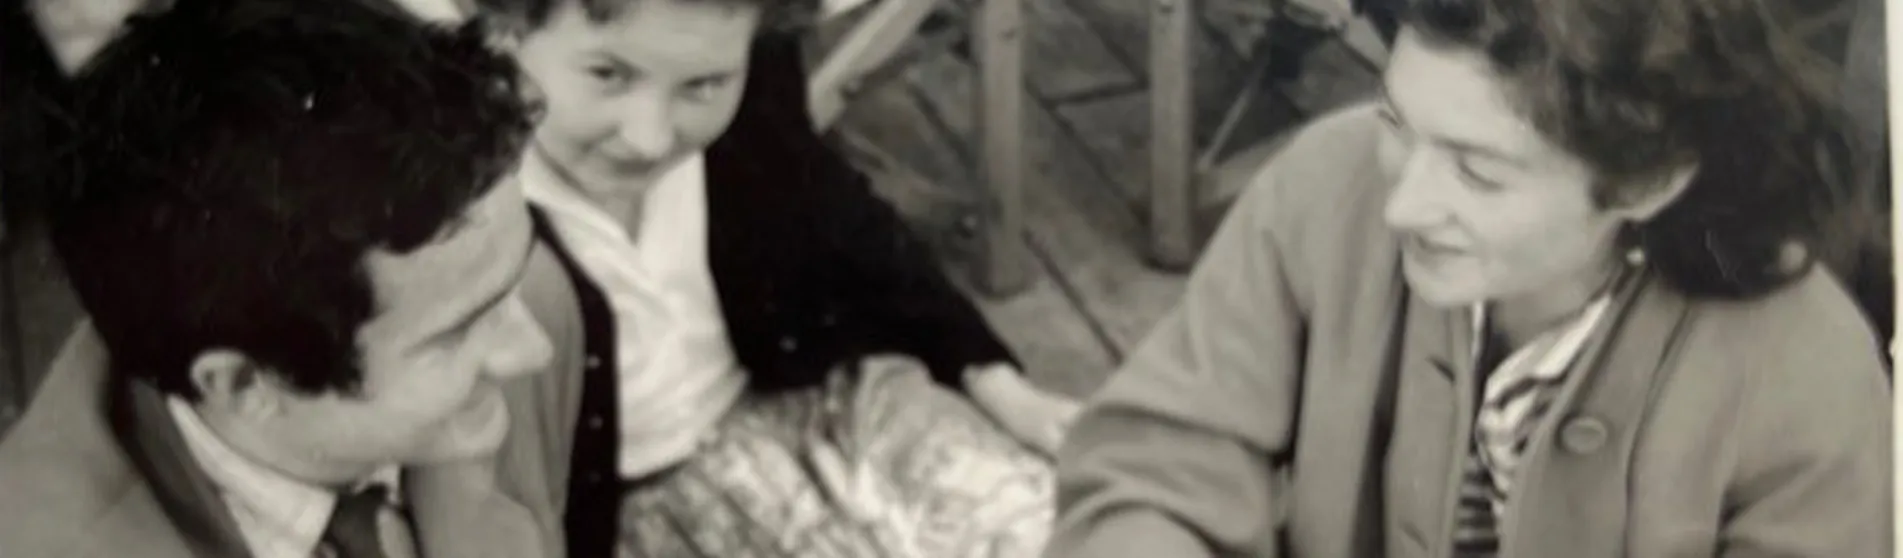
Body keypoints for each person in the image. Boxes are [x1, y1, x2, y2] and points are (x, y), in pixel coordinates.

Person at [1046, 0, 1892, 556]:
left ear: (1646, 181)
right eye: (1394, 121)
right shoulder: (1326, 180)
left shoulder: (1807, 378)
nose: (1402, 204)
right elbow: (1152, 466)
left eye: (1478, 173)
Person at [416, 0, 1079, 555]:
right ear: (505, 32)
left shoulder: (749, 80)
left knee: (1060, 530)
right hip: (644, 496)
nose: (650, 138)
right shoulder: (457, 199)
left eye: (703, 86)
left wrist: (988, 376)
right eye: (607, 74)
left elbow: (845, 219)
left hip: (830, 396)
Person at [0, 2, 556, 557]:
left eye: (515, 277)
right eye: (453, 336)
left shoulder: (512, 291)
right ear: (243, 384)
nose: (538, 349)